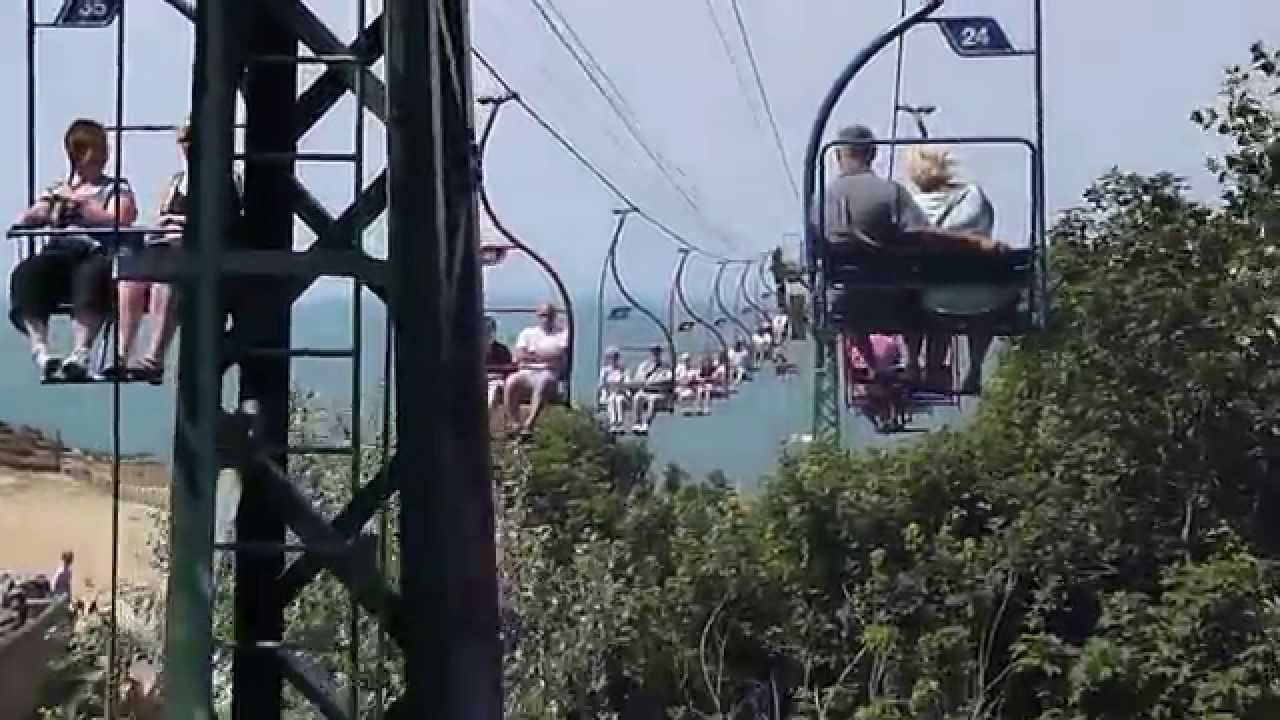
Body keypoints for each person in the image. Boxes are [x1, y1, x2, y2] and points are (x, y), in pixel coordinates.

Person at [113, 119, 242, 384]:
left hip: (196, 252)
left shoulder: (227, 179)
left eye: (193, 140)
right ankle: (122, 354)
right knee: (130, 279)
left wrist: (184, 223)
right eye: (184, 140)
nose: (188, 146)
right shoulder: (176, 181)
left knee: (165, 284)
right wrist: (162, 224)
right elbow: (160, 214)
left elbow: (226, 220)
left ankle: (154, 357)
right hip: (164, 245)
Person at [9, 118, 138, 380]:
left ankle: (81, 352)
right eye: (95, 151)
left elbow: (120, 218)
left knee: (90, 277)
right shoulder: (59, 189)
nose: (102, 157)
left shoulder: (115, 188)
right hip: (60, 251)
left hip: (95, 251)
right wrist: (40, 212)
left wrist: (83, 205)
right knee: (28, 273)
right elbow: (32, 214)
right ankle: (41, 349)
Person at [905, 147, 1009, 394]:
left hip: (934, 300)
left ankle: (923, 365)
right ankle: (975, 367)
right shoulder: (974, 196)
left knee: (921, 298)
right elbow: (987, 225)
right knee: (980, 300)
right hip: (983, 297)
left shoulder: (912, 207)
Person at [504, 303, 569, 438]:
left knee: (543, 382)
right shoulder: (528, 333)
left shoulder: (562, 334)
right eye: (543, 315)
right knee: (511, 381)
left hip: (548, 372)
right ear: (538, 316)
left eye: (549, 316)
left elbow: (559, 354)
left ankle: (529, 424)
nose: (546, 319)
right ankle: (515, 422)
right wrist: (543, 356)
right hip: (527, 372)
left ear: (554, 317)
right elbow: (519, 354)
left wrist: (532, 355)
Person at [631, 344, 671, 434]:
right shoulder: (644, 365)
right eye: (653, 352)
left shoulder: (666, 366)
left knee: (653, 400)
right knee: (637, 397)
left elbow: (668, 379)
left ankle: (646, 423)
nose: (655, 354)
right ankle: (638, 422)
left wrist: (655, 382)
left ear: (660, 353)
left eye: (657, 352)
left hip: (658, 392)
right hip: (645, 391)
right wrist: (643, 381)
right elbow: (638, 378)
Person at [484, 316, 513, 415]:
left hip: (496, 382)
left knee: (494, 391)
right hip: (478, 381)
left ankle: (487, 417)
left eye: (490, 330)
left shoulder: (502, 349)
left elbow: (508, 369)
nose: (488, 333)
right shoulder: (473, 350)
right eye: (485, 330)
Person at [597, 347, 630, 433]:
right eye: (611, 357)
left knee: (619, 400)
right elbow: (601, 385)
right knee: (612, 399)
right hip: (609, 394)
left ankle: (620, 423)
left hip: (621, 394)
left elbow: (627, 384)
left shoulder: (623, 370)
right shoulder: (605, 371)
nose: (613, 359)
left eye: (615, 357)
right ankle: (613, 423)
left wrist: (623, 389)